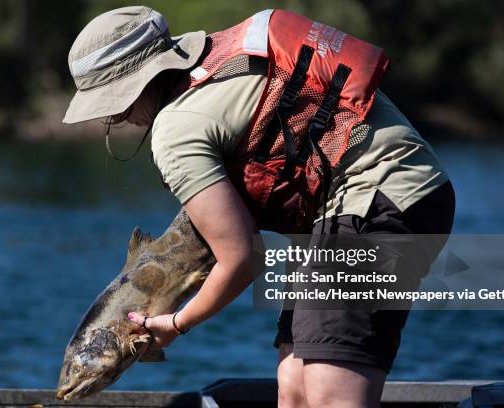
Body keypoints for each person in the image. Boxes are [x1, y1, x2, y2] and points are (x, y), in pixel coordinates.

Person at [62, 6, 455, 408]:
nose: (115, 118)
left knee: (328, 393)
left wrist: (176, 324)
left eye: (111, 106)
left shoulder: (176, 131)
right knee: (294, 385)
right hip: (367, 201)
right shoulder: (223, 58)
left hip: (379, 197)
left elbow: (242, 260)